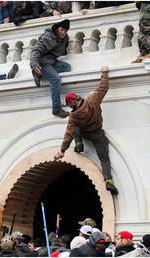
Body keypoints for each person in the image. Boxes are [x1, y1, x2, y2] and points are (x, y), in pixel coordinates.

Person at [56, 66, 119, 195]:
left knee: (75, 129)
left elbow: (68, 134)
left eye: (68, 104)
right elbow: (103, 87)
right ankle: (108, 181)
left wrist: (62, 150)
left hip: (84, 133)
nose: (68, 106)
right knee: (104, 159)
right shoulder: (92, 100)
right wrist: (104, 73)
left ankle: (79, 144)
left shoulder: (73, 116)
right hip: (98, 134)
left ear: (72, 103)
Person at [30, 19, 72, 118]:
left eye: (65, 31)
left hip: (52, 61)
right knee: (55, 79)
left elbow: (63, 50)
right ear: (57, 28)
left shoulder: (65, 38)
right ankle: (56, 109)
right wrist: (34, 64)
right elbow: (37, 49)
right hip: (42, 62)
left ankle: (39, 74)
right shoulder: (48, 37)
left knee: (67, 67)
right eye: (61, 30)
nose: (63, 32)